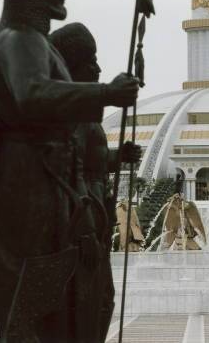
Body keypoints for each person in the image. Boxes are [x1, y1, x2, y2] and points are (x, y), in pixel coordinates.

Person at [0, 0, 138, 341]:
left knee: (44, 304)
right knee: (27, 300)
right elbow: (31, 95)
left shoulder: (28, 40)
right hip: (30, 185)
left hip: (41, 188)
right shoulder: (19, 39)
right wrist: (106, 94)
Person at [49, 22, 142, 342]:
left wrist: (120, 157)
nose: (98, 68)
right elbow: (69, 173)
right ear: (71, 67)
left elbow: (92, 163)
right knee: (89, 303)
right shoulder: (67, 115)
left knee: (101, 301)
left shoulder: (86, 114)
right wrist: (85, 228)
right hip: (82, 225)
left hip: (95, 223)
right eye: (90, 62)